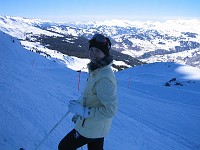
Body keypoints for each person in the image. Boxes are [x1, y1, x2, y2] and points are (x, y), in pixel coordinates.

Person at [58, 33, 118, 150]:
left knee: (64, 147)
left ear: (104, 53)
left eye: (97, 51)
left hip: (92, 128)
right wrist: (79, 110)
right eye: (91, 50)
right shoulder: (96, 70)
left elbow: (111, 110)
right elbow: (89, 96)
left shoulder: (104, 77)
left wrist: (84, 112)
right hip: (95, 126)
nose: (93, 54)